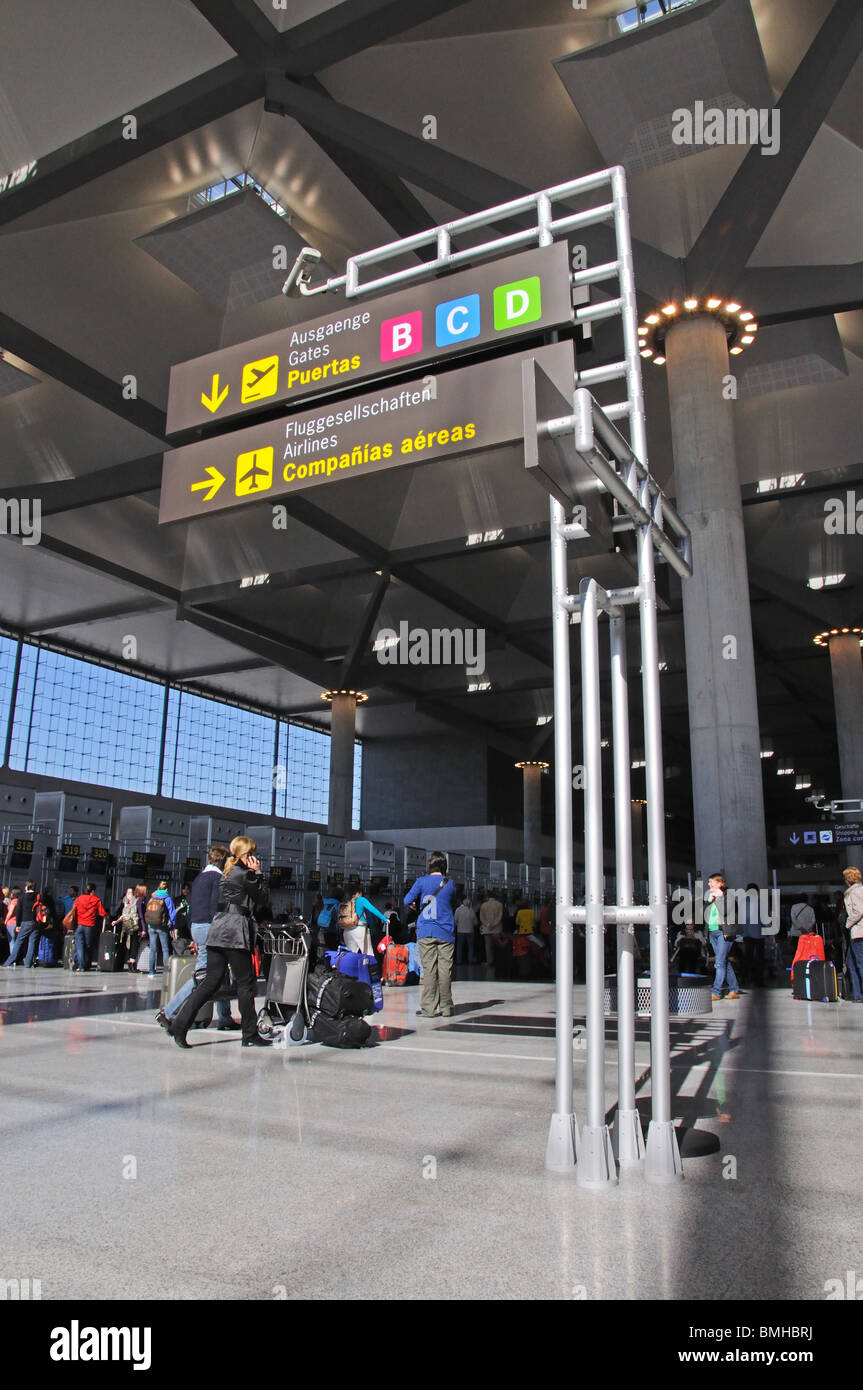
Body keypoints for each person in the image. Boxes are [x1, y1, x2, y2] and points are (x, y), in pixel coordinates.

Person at [168, 837, 270, 1048]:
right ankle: (249, 1033)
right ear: (246, 855)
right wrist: (258, 873)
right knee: (245, 982)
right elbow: (262, 898)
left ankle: (179, 1025)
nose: (256, 857)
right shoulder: (244, 874)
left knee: (210, 982)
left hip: (217, 930)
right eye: (253, 853)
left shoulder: (226, 873)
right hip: (235, 932)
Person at [157, 845, 239, 1032]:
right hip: (210, 927)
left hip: (196, 926)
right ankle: (168, 1012)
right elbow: (214, 907)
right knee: (203, 976)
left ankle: (225, 1017)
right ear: (225, 860)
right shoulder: (218, 878)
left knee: (218, 971)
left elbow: (192, 907)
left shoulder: (199, 877)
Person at [404, 851, 458, 1018]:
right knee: (445, 971)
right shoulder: (449, 883)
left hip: (426, 931)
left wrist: (415, 905)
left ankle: (428, 1009)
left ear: (429, 866)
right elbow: (453, 903)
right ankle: (447, 1007)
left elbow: (406, 900)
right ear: (444, 866)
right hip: (445, 931)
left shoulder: (421, 881)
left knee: (429, 971)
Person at [706, 873, 740, 1001]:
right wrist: (709, 901)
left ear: (720, 884)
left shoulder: (728, 896)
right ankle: (734, 989)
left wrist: (719, 898)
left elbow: (725, 911)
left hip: (723, 932)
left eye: (712, 882)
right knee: (724, 962)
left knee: (719, 963)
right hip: (713, 931)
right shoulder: (712, 897)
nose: (709, 884)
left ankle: (716, 991)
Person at [337, 886, 389, 955]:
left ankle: (352, 965)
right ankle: (368, 965)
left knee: (351, 954)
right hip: (359, 928)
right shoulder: (361, 900)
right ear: (358, 893)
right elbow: (372, 909)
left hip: (347, 930)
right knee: (368, 953)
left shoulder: (345, 902)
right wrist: (385, 919)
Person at [71, 882, 107, 973]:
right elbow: (102, 913)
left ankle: (77, 963)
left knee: (79, 946)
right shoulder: (96, 900)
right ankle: (82, 966)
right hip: (89, 926)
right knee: (87, 947)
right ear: (93, 891)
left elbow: (73, 911)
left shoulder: (78, 899)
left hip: (79, 926)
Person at [4, 881, 41, 968]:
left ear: (26, 887)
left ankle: (9, 961)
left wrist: (18, 925)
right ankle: (28, 963)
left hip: (25, 921)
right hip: (36, 922)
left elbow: (18, 911)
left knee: (19, 941)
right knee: (32, 942)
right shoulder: (38, 896)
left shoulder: (22, 897)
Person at [144, 879, 176, 978]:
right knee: (165, 949)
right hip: (162, 926)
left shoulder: (152, 897)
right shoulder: (167, 898)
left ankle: (151, 972)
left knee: (153, 949)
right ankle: (166, 972)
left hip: (151, 926)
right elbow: (172, 913)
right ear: (166, 889)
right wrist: (173, 926)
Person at [842, 866, 863, 1003]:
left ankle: (858, 994)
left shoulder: (855, 892)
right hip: (857, 931)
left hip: (858, 931)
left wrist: (847, 923)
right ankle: (857, 994)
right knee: (851, 962)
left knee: (860, 963)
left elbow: (859, 911)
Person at [113, 885, 145, 973]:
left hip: (129, 926)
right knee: (127, 944)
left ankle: (123, 964)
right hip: (128, 926)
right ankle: (124, 964)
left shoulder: (127, 901)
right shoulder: (133, 902)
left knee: (129, 944)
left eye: (130, 892)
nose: (129, 894)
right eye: (128, 893)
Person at [741, 882, 766, 987]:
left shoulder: (742, 903)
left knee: (748, 956)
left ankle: (745, 978)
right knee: (759, 958)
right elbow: (765, 919)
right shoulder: (760, 903)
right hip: (758, 934)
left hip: (746, 934)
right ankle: (758, 980)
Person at [479, 891, 503, 967]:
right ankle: (497, 961)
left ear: (487, 897)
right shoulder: (499, 904)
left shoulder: (483, 905)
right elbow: (500, 916)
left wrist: (488, 924)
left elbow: (481, 917)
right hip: (497, 929)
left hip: (487, 929)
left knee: (488, 946)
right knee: (497, 946)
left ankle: (490, 962)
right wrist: (494, 924)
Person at [454, 895, 478, 967]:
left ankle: (459, 961)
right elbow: (475, 923)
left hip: (460, 931)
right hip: (470, 931)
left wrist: (458, 925)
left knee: (459, 946)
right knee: (470, 947)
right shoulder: (471, 910)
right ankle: (470, 960)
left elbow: (455, 921)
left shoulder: (458, 910)